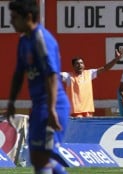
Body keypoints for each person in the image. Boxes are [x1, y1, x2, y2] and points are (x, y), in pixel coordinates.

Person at [5, 0, 70, 174]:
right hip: (39, 106)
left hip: (53, 104)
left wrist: (51, 109)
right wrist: (11, 101)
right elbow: (19, 73)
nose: (11, 21)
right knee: (36, 158)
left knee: (44, 158)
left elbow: (51, 75)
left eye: (14, 17)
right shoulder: (24, 41)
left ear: (28, 17)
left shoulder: (42, 39)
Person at [60, 51, 123, 117]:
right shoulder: (68, 76)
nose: (80, 65)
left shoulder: (89, 74)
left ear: (84, 65)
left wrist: (116, 59)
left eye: (81, 63)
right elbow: (55, 75)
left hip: (88, 111)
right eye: (77, 64)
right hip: (76, 112)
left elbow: (105, 68)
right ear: (73, 66)